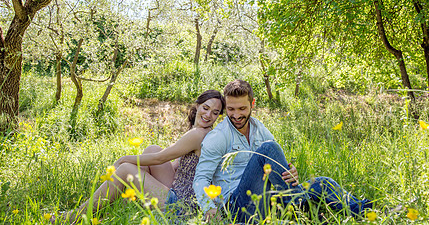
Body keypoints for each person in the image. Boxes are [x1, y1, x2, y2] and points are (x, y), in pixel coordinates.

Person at [193, 80, 372, 223]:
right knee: (268, 148)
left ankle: (368, 212)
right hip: (240, 207)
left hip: (269, 201)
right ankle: (299, 207)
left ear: (252, 104)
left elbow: (278, 164)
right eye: (231, 109)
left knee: (323, 183)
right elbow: (201, 178)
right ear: (225, 107)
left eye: (242, 108)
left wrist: (289, 170)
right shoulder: (218, 137)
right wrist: (209, 207)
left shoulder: (259, 128)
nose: (236, 115)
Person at [56, 90, 225, 223]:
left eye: (215, 112)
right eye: (206, 108)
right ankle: (112, 209)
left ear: (218, 116)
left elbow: (160, 159)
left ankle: (76, 216)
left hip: (181, 206)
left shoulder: (199, 135)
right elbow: (176, 165)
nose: (209, 115)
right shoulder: (199, 133)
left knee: (126, 169)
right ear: (197, 106)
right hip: (179, 191)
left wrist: (125, 159)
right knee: (151, 149)